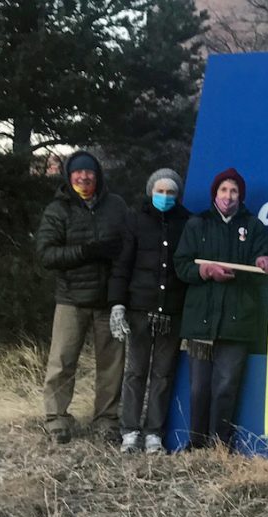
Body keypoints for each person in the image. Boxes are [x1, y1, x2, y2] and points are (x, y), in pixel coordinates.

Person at [174, 168, 268, 449]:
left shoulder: (253, 226)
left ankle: (220, 446)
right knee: (198, 388)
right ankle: (196, 445)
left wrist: (265, 262)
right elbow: (181, 265)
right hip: (201, 321)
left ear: (240, 196)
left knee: (226, 387)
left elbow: (262, 260)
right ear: (215, 194)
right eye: (223, 190)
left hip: (237, 321)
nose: (228, 196)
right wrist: (205, 271)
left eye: (233, 191)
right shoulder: (197, 224)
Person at [36, 150, 128, 444]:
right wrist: (85, 251)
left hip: (108, 299)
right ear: (69, 175)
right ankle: (57, 418)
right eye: (78, 172)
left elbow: (128, 246)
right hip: (71, 298)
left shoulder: (116, 206)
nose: (84, 177)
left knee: (111, 364)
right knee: (62, 360)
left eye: (89, 172)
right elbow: (46, 254)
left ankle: (106, 419)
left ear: (97, 175)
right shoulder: (57, 209)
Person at [108, 169, 192, 454]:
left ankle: (154, 432)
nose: (165, 196)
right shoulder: (134, 221)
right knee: (135, 371)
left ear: (177, 195)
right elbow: (122, 266)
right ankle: (130, 430)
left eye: (171, 192)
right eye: (160, 191)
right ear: (150, 191)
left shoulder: (187, 222)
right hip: (139, 308)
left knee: (163, 374)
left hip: (172, 309)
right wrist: (118, 303)